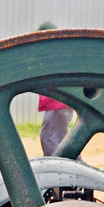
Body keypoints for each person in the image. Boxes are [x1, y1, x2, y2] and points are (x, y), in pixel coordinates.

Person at [35, 21, 75, 155]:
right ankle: (72, 164)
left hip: (56, 101)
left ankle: (57, 166)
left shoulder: (50, 52)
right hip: (63, 101)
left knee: (49, 138)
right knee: (60, 137)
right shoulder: (61, 51)